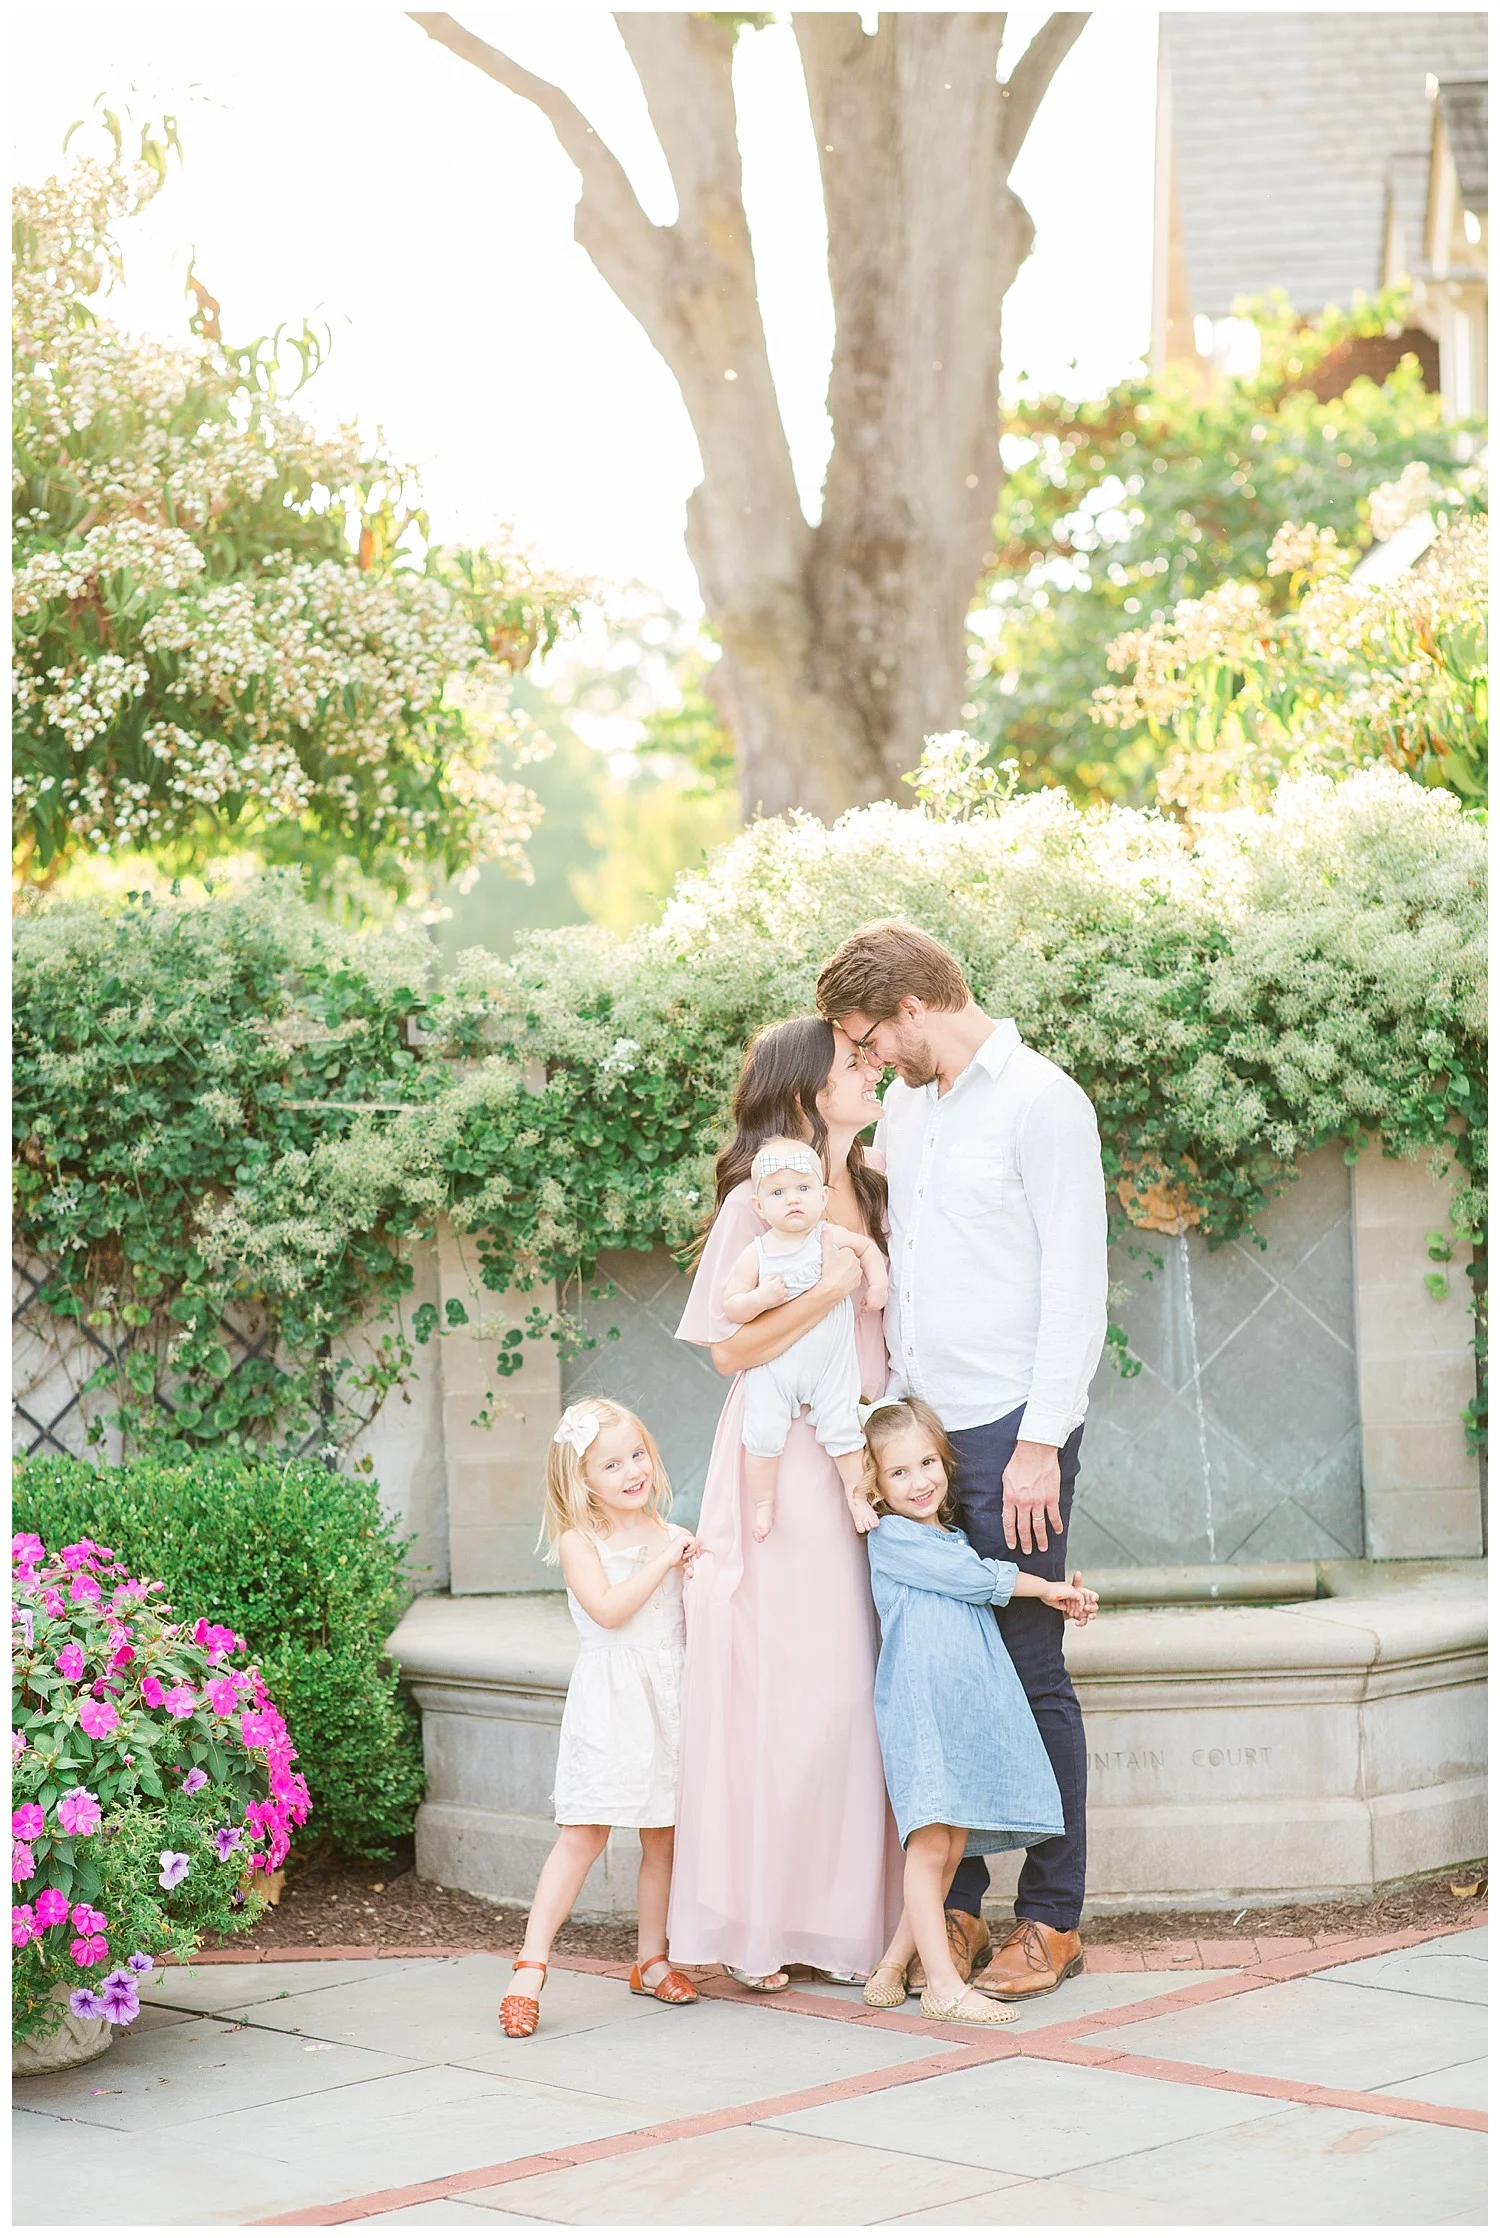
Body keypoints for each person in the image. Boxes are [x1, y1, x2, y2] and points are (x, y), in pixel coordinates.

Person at [817, 920, 1108, 2001]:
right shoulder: (908, 1109)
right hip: (923, 1436)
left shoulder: (1043, 1102)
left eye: (869, 1036)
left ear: (912, 1010)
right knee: (946, 1677)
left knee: (1030, 1670)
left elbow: (1077, 1285)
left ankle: (1055, 1917)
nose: (871, 1058)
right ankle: (957, 1907)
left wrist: (1040, 1443)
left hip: (1013, 1432)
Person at [668, 1017, 904, 1990]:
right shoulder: (759, 1201)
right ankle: (764, 1923)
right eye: (855, 1063)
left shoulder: (881, 1182)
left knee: (855, 1692)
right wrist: (834, 1288)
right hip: (782, 1461)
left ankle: (855, 1924)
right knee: (784, 1695)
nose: (873, 1069)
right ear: (809, 1090)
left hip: (865, 1458)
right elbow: (730, 1349)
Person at [857, 1396, 1096, 2023]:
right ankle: (941, 1985)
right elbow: (979, 1580)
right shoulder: (893, 1538)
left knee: (949, 1845)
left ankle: (890, 1965)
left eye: (929, 1463)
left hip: (952, 1713)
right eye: (899, 1473)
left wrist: (1058, 1592)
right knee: (930, 1848)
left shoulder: (946, 1534)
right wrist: (1048, 1586)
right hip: (924, 1714)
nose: (920, 1482)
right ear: (875, 1485)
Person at [499, 1398, 700, 2039]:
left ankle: (651, 1957)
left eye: (637, 1455)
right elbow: (611, 1611)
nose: (632, 1472)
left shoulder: (668, 1534)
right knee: (583, 1833)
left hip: (667, 1697)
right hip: (612, 1704)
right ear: (582, 1479)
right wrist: (665, 1561)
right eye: (611, 1464)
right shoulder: (579, 1541)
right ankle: (530, 1966)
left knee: (662, 1835)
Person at [721, 1136, 889, 1542]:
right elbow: (731, 1304)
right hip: (776, 1368)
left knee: (845, 1431)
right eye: (778, 1192)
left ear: (822, 1196)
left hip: (831, 1364)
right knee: (761, 1436)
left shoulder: (828, 1236)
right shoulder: (758, 1253)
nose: (792, 1200)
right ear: (760, 1206)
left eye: (803, 1189)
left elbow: (868, 1249)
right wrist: (759, 1298)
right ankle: (763, 1503)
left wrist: (879, 1284)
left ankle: (856, 1497)